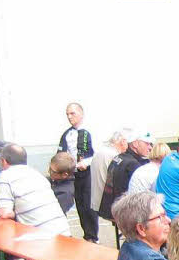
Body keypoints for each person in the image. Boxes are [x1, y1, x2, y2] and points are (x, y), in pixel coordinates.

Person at [0, 144, 70, 235]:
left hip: (41, 237)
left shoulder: (5, 176)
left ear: (3, 161)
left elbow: (5, 214)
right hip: (63, 231)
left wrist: (17, 212)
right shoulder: (37, 174)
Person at [58, 102, 98, 241]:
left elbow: (97, 154)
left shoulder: (90, 131)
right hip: (73, 173)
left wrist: (86, 163)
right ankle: (86, 234)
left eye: (72, 113)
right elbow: (63, 154)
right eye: (67, 114)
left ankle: (93, 235)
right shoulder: (67, 134)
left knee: (88, 204)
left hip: (88, 172)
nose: (69, 117)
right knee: (80, 204)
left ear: (81, 113)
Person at [98, 130, 151, 220]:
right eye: (147, 143)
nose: (150, 147)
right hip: (121, 212)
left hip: (108, 208)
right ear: (135, 144)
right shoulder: (133, 164)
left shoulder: (119, 157)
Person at [90, 130, 128, 216]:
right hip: (107, 203)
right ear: (122, 142)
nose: (127, 147)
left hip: (95, 201)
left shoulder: (100, 152)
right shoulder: (114, 155)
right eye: (127, 143)